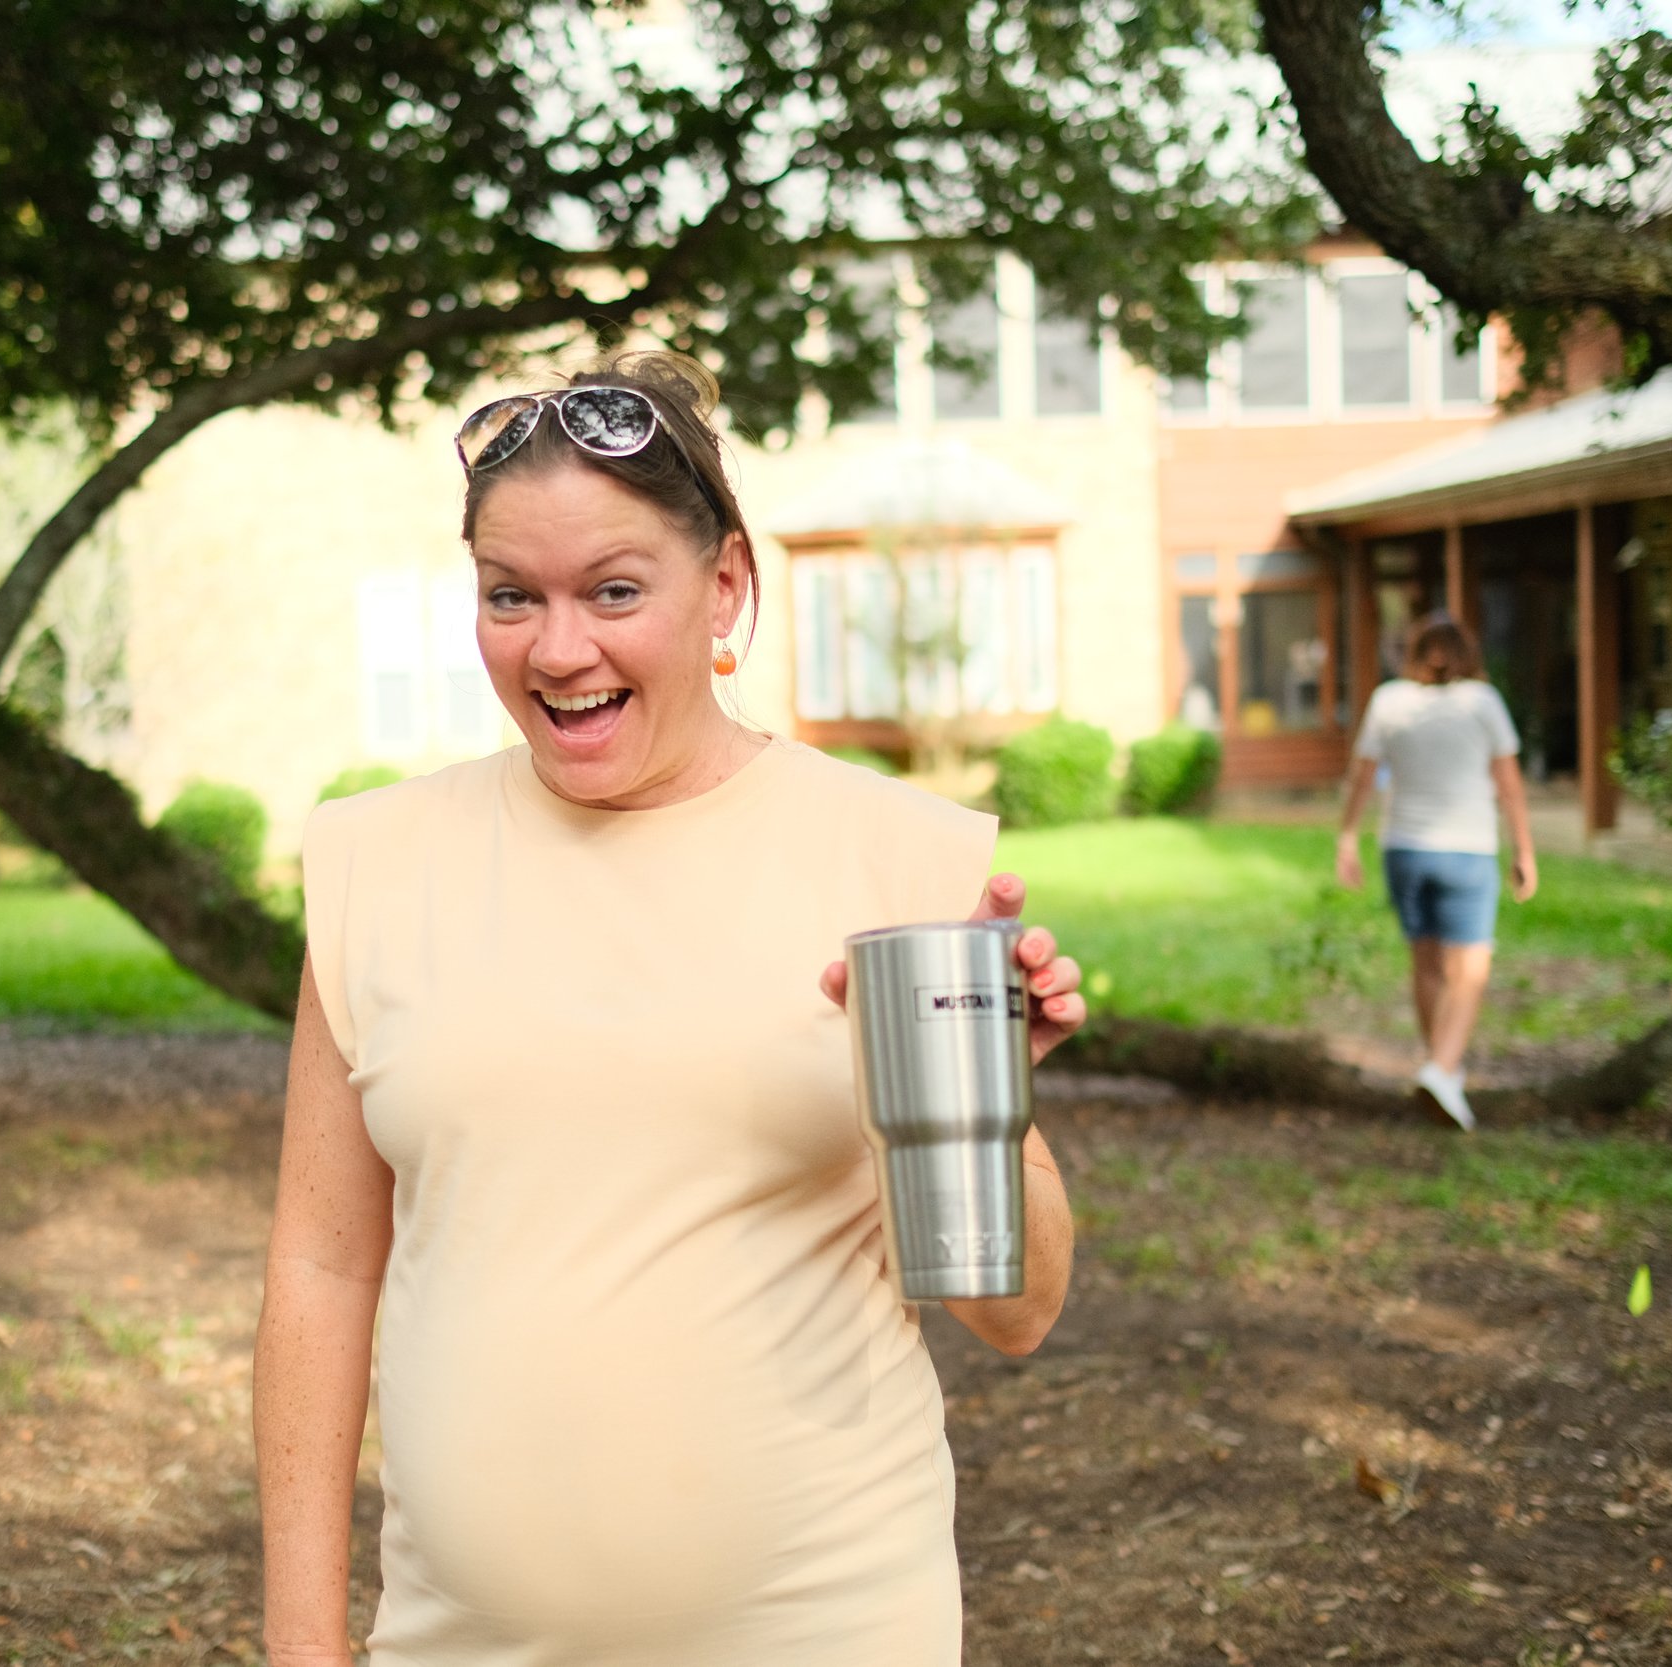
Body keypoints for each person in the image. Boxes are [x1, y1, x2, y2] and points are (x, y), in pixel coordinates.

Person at [254, 352, 1083, 1667]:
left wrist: (965, 1104)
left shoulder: (894, 859)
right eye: (511, 594)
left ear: (727, 587)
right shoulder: (378, 863)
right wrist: (302, 1640)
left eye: (614, 589)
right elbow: (321, 1264)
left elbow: (1015, 1309)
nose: (558, 647)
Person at [1334, 613, 1539, 1129]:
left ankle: (1439, 1071)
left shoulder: (1389, 701)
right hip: (1467, 851)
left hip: (1403, 850)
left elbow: (1361, 777)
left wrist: (1347, 837)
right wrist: (1524, 850)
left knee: (1426, 964)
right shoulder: (1483, 702)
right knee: (1470, 968)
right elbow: (1510, 785)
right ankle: (1443, 1070)